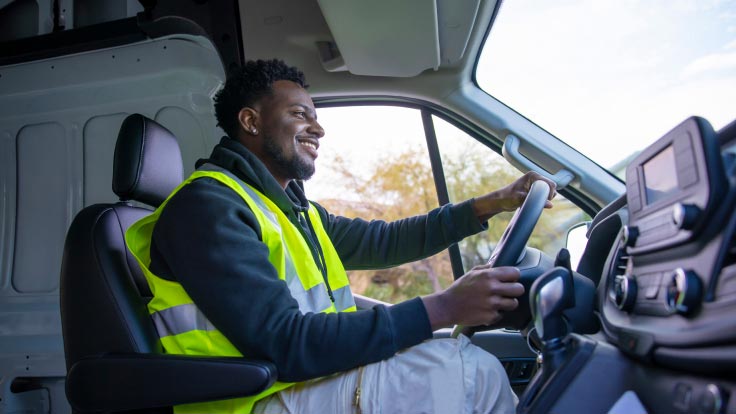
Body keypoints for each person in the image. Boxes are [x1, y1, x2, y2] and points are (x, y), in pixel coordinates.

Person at [125, 59, 556, 414]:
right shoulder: (206, 208)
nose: (318, 128)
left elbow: (386, 241)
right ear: (251, 121)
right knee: (466, 371)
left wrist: (491, 203)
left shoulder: (292, 209)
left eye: (316, 115)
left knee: (457, 365)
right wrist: (444, 306)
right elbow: (286, 343)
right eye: (299, 114)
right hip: (251, 401)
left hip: (304, 382)